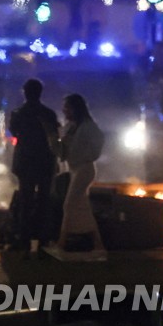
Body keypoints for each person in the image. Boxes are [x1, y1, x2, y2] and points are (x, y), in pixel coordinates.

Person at [8, 78, 59, 253]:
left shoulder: (18, 114)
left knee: (26, 201)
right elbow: (53, 136)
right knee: (44, 201)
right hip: (45, 161)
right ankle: (43, 239)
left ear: (25, 93)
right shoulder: (49, 114)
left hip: (25, 162)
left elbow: (15, 132)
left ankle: (24, 239)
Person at [55, 93, 106, 257]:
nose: (64, 110)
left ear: (75, 108)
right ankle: (97, 243)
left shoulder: (87, 126)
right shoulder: (71, 126)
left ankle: (62, 242)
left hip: (84, 169)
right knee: (82, 206)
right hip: (75, 169)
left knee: (69, 205)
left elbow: (98, 142)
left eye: (67, 107)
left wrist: (87, 156)